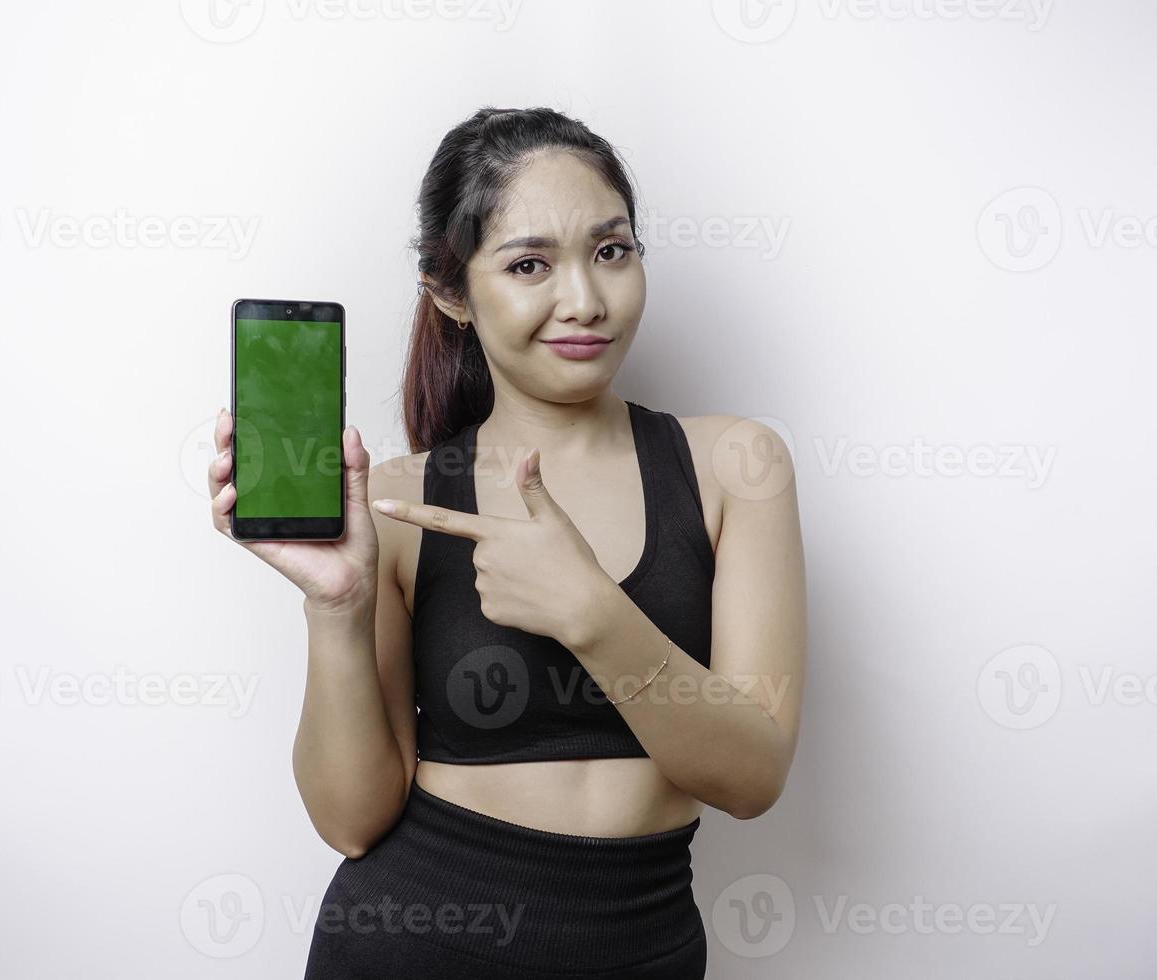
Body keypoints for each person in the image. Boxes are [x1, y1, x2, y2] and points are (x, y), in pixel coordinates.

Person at [206, 105, 807, 979]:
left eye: (612, 250)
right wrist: (337, 605)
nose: (586, 301)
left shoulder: (736, 464)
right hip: (415, 945)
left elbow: (752, 779)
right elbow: (351, 820)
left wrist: (592, 612)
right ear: (452, 294)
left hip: (646, 948)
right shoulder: (404, 501)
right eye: (530, 264)